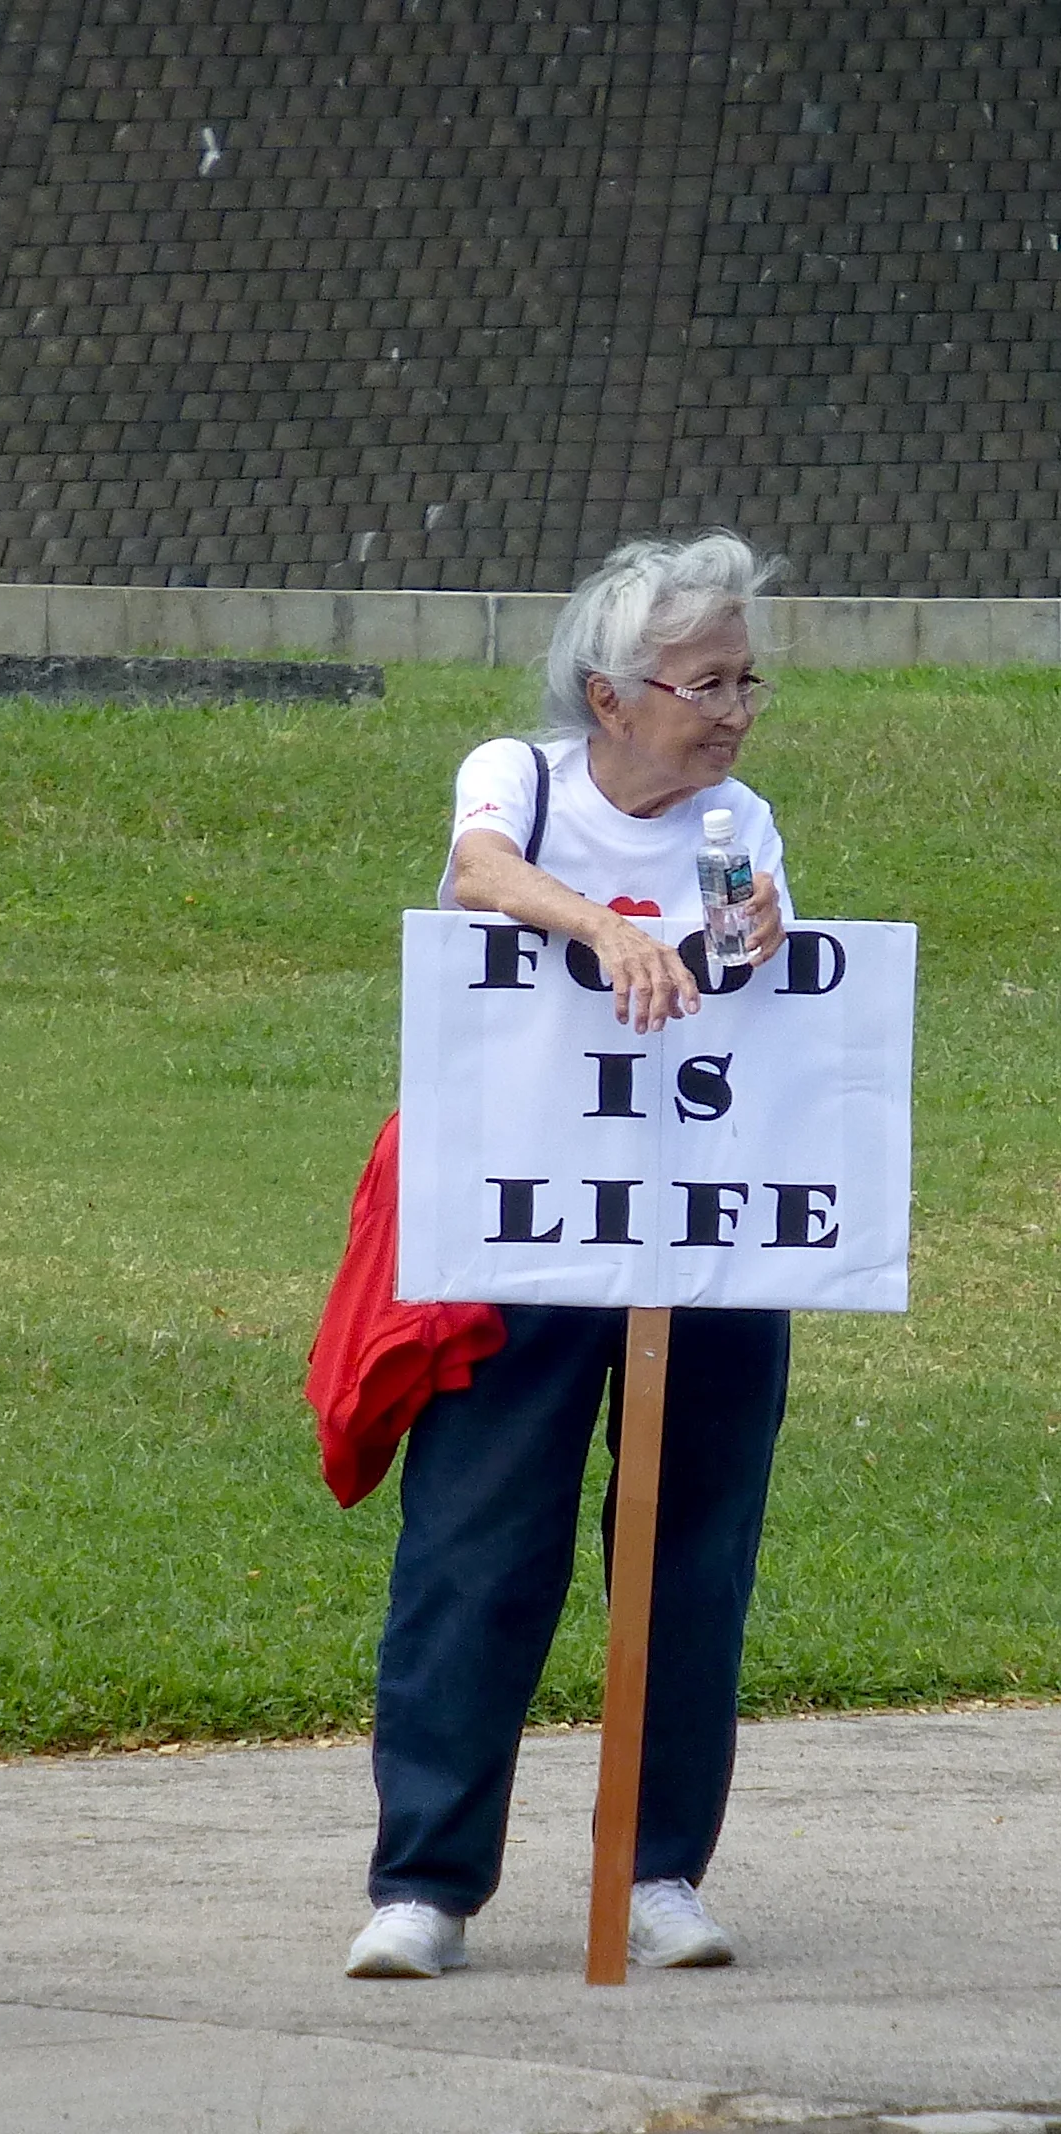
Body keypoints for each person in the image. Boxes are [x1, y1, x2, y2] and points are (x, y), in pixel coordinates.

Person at [346, 532, 794, 1980]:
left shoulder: (742, 815)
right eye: (704, 682)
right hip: (523, 1228)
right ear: (611, 695)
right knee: (478, 1544)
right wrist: (604, 925)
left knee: (690, 1552)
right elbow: (481, 874)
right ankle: (427, 1880)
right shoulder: (517, 777)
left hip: (700, 1239)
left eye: (745, 681)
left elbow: (750, 968)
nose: (731, 710)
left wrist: (751, 928)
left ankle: (659, 1866)